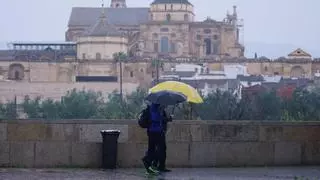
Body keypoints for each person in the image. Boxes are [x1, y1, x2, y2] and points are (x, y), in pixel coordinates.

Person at [142, 103, 172, 174]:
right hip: (157, 132)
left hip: (152, 132)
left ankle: (151, 166)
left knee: (153, 149)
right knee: (160, 149)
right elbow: (156, 118)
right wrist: (168, 119)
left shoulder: (152, 107)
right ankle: (147, 160)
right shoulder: (155, 107)